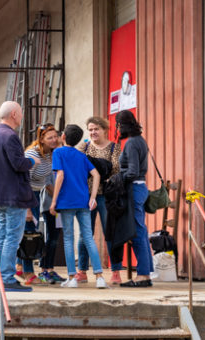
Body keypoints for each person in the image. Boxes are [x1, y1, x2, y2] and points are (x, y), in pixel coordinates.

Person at [50, 123, 107, 289]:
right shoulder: (81, 155)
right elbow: (96, 174)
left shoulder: (58, 152)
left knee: (69, 239)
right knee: (88, 237)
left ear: (63, 137)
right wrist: (93, 197)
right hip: (83, 201)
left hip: (66, 202)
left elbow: (60, 175)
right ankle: (99, 277)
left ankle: (72, 278)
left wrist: (54, 201)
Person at [0, 101, 37, 292]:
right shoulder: (11, 136)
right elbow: (18, 164)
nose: (22, 116)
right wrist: (32, 160)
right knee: (12, 237)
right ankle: (7, 277)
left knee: (2, 235)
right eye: (21, 112)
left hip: (0, 195)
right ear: (15, 114)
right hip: (13, 195)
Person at [77, 116, 124, 284]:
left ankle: (116, 271)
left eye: (96, 129)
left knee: (110, 232)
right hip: (86, 196)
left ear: (105, 130)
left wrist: (106, 177)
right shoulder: (84, 147)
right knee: (84, 234)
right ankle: (82, 270)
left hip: (106, 196)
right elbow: (76, 168)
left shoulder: (114, 148)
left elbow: (118, 171)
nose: (93, 132)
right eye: (90, 129)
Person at [20, 123, 64, 285]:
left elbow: (47, 182)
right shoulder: (33, 154)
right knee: (29, 233)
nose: (54, 140)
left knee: (29, 232)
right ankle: (28, 273)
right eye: (50, 137)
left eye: (55, 136)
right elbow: (23, 181)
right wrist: (27, 209)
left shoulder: (49, 155)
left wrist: (57, 200)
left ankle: (20, 266)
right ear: (42, 139)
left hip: (37, 195)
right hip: (26, 195)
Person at [116, 110, 154, 287]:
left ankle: (143, 275)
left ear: (122, 125)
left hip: (134, 189)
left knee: (137, 232)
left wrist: (115, 179)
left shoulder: (131, 143)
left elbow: (131, 171)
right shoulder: (140, 140)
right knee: (142, 231)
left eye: (118, 124)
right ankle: (146, 273)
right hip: (141, 187)